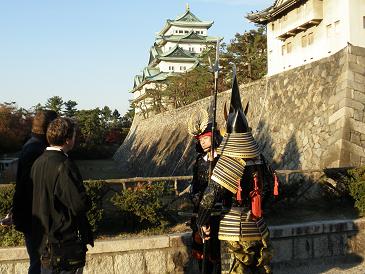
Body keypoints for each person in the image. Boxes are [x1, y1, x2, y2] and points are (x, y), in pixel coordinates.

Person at [196, 70, 276, 274]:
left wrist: (201, 222)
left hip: (234, 226)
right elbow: (269, 189)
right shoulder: (259, 157)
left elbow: (210, 196)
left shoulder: (231, 158)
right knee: (259, 269)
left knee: (235, 269)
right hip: (258, 224)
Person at [31, 117, 94, 274]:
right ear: (67, 140)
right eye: (73, 136)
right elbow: (79, 204)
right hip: (64, 242)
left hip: (44, 241)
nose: (75, 139)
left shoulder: (38, 162)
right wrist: (88, 200)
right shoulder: (64, 165)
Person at [12, 110, 58, 274]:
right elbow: (29, 189)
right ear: (49, 128)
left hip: (32, 218)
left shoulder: (32, 145)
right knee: (40, 265)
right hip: (37, 220)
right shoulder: (37, 150)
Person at [187, 110, 223, 274]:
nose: (202, 142)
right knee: (201, 252)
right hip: (199, 210)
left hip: (219, 213)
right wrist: (196, 199)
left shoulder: (222, 160)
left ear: (214, 137)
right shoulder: (199, 161)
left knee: (217, 252)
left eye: (206, 138)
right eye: (200, 139)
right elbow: (194, 185)